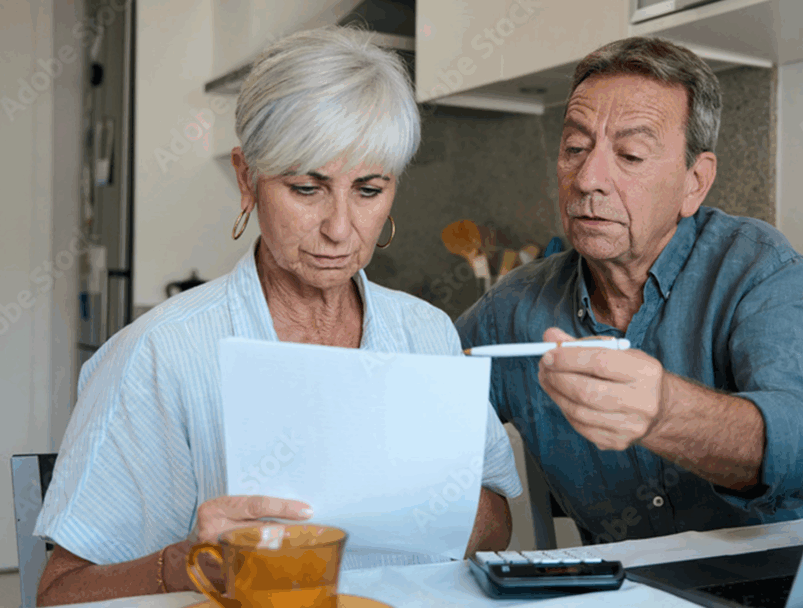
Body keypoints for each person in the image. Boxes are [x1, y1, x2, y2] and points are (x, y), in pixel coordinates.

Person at [34, 26, 521, 605]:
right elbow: (59, 593)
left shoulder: (426, 333)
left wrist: (439, 506)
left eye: (368, 190)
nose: (340, 228)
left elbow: (495, 523)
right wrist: (192, 562)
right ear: (248, 179)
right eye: (306, 188)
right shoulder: (160, 354)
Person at [455, 37, 803, 545]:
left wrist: (665, 412)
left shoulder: (758, 268)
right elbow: (415, 407)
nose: (588, 178)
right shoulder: (515, 304)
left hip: (769, 583)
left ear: (694, 183)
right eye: (574, 149)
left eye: (630, 154)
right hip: (620, 590)